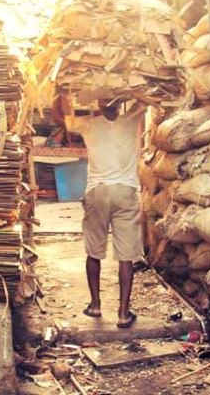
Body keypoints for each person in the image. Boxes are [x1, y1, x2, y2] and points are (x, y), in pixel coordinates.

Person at [55, 95, 146, 328]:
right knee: (126, 256)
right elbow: (148, 95)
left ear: (98, 102)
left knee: (94, 251)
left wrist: (59, 91)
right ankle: (124, 314)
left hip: (97, 192)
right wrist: (128, 90)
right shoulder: (132, 119)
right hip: (126, 193)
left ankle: (95, 306)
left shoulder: (88, 123)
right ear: (120, 102)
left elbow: (58, 117)